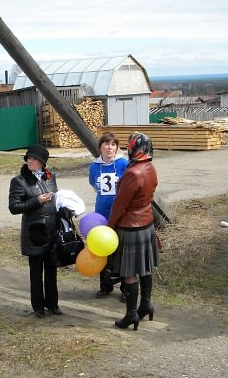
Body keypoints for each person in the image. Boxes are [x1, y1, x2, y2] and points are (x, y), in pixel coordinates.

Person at [107, 132, 159, 331]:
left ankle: (131, 314)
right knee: (145, 268)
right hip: (147, 224)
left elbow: (119, 206)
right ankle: (145, 305)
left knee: (129, 272)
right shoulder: (150, 167)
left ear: (132, 148)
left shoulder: (133, 173)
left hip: (130, 227)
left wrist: (110, 227)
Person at [8, 144, 62, 318]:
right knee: (36, 272)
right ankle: (38, 307)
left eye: (34, 158)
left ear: (42, 162)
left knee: (52, 270)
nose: (30, 161)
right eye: (28, 158)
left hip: (51, 228)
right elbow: (14, 207)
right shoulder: (19, 181)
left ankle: (53, 304)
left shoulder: (50, 176)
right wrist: (36, 201)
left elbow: (56, 197)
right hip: (35, 232)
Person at [88, 132, 128, 299]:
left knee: (123, 249)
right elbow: (93, 183)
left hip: (121, 213)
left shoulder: (123, 164)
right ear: (100, 147)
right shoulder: (94, 166)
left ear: (117, 148)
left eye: (113, 144)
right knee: (102, 248)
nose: (109, 147)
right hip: (102, 212)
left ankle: (126, 287)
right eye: (106, 144)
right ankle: (105, 285)